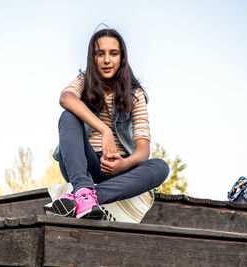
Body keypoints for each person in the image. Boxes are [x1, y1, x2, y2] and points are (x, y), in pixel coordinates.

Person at [45, 28, 169, 220]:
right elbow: (65, 98)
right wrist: (105, 131)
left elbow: (143, 148)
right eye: (100, 53)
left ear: (122, 58)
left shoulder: (135, 94)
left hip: (119, 172)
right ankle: (84, 188)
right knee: (68, 116)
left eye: (113, 53)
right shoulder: (83, 82)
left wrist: (124, 163)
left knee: (160, 167)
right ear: (92, 58)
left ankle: (83, 198)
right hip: (83, 165)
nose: (106, 60)